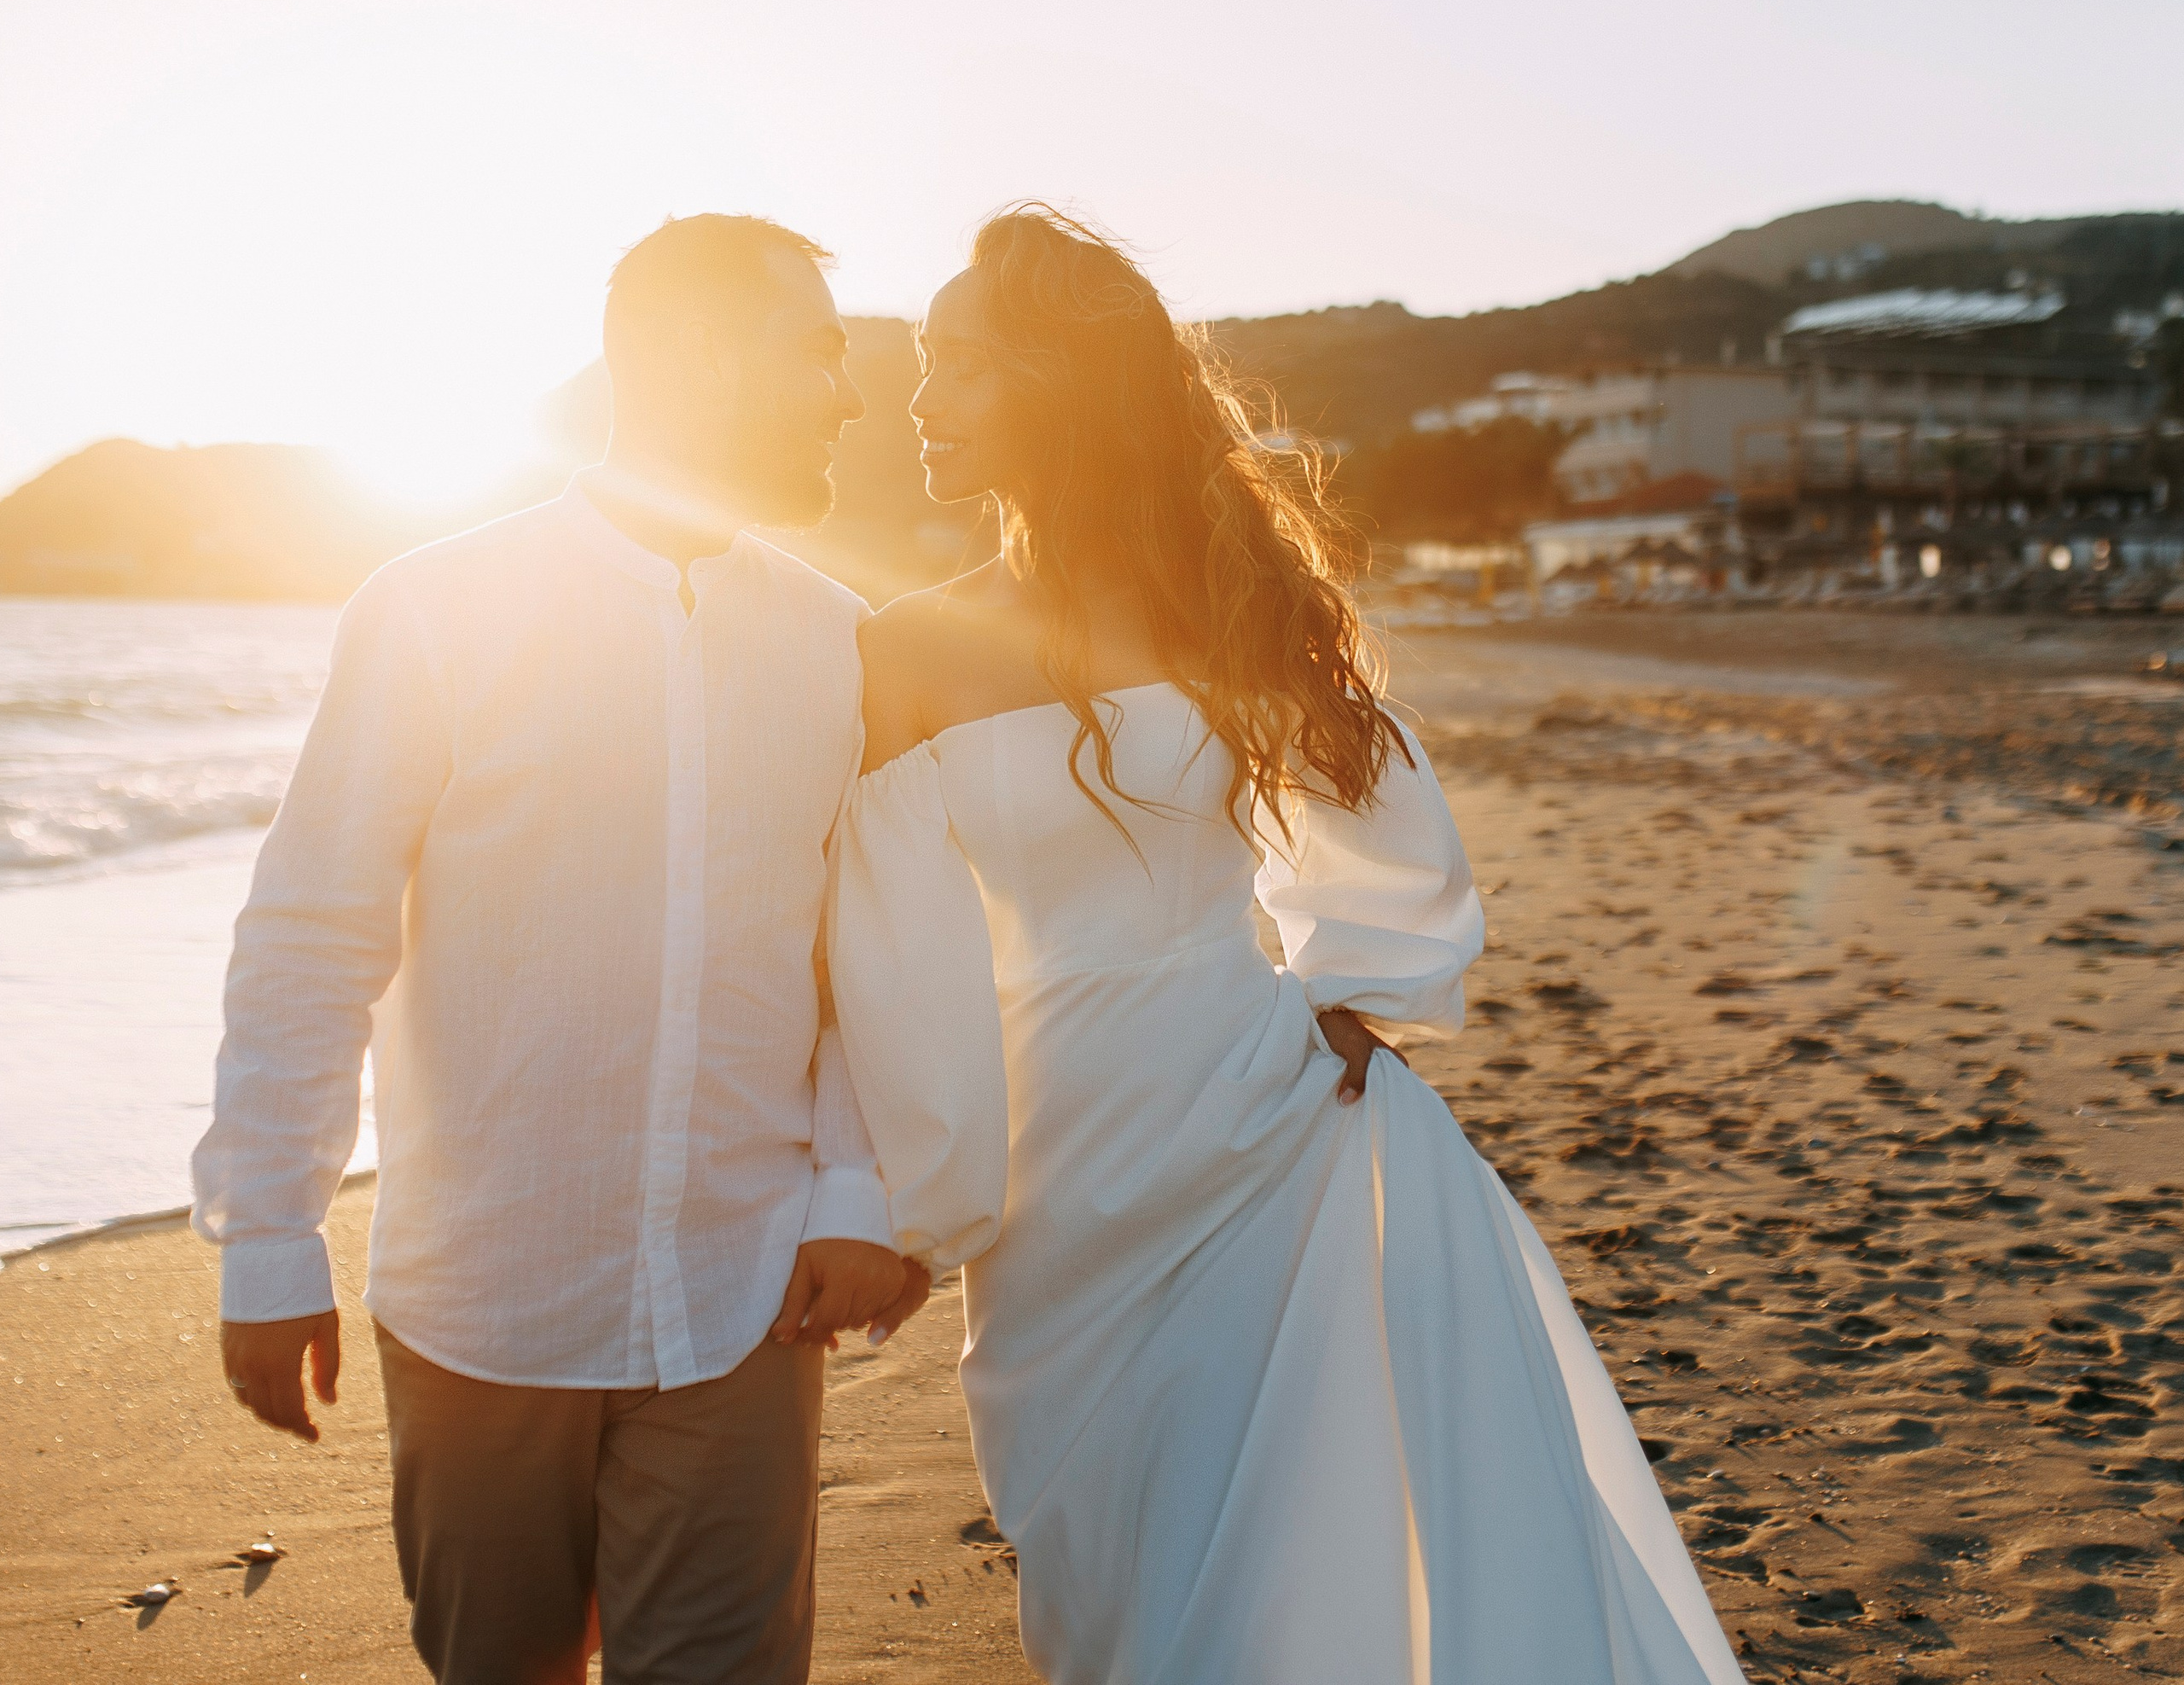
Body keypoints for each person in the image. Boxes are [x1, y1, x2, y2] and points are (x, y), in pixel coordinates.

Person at [827, 206, 1748, 1685]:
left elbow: (1382, 815)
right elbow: (890, 950)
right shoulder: (903, 645)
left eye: (963, 366)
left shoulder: (1230, 609)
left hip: (1264, 1131)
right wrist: (913, 1191)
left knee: (1283, 1556)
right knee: (1110, 1567)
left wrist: (1346, 996)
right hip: (1054, 1177)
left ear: (1058, 391)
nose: (920, 399)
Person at [192, 214, 928, 1685]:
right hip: (483, 1294)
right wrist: (270, 1239)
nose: (851, 396)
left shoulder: (841, 645)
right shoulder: (435, 609)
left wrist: (862, 1187)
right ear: (700, 356)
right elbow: (312, 929)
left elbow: (871, 951)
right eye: (818, 355)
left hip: (749, 1290)